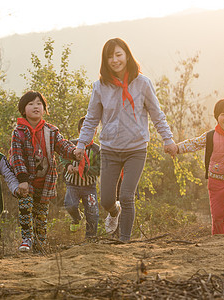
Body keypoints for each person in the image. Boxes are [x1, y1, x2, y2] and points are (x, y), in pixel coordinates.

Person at [74, 38, 178, 242]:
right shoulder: (100, 86)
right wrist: (81, 143)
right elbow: (91, 118)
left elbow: (157, 114)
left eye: (118, 54)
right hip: (110, 149)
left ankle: (124, 240)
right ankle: (114, 212)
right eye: (110, 56)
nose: (115, 60)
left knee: (127, 196)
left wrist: (168, 139)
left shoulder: (142, 83)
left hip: (136, 149)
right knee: (106, 200)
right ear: (105, 60)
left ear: (127, 55)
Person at [10, 90, 78, 253]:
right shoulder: (19, 132)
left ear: (44, 108)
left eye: (39, 103)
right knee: (25, 208)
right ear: (23, 109)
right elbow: (17, 156)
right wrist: (22, 179)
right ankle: (26, 239)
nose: (35, 107)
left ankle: (40, 244)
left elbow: (63, 145)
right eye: (31, 104)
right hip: (27, 181)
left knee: (41, 215)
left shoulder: (51, 131)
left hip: (46, 181)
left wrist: (75, 152)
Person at [175, 98, 224, 234]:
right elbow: (194, 143)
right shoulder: (210, 136)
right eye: (223, 114)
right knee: (217, 216)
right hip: (216, 179)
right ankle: (218, 244)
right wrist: (176, 148)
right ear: (217, 117)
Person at [60, 116, 100, 239]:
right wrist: (68, 165)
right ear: (79, 131)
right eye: (84, 130)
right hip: (73, 184)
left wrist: (82, 169)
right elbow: (63, 155)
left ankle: (90, 238)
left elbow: (99, 169)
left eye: (90, 130)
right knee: (70, 205)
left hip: (89, 186)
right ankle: (76, 217)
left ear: (95, 132)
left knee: (92, 212)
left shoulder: (97, 149)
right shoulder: (71, 144)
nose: (87, 133)